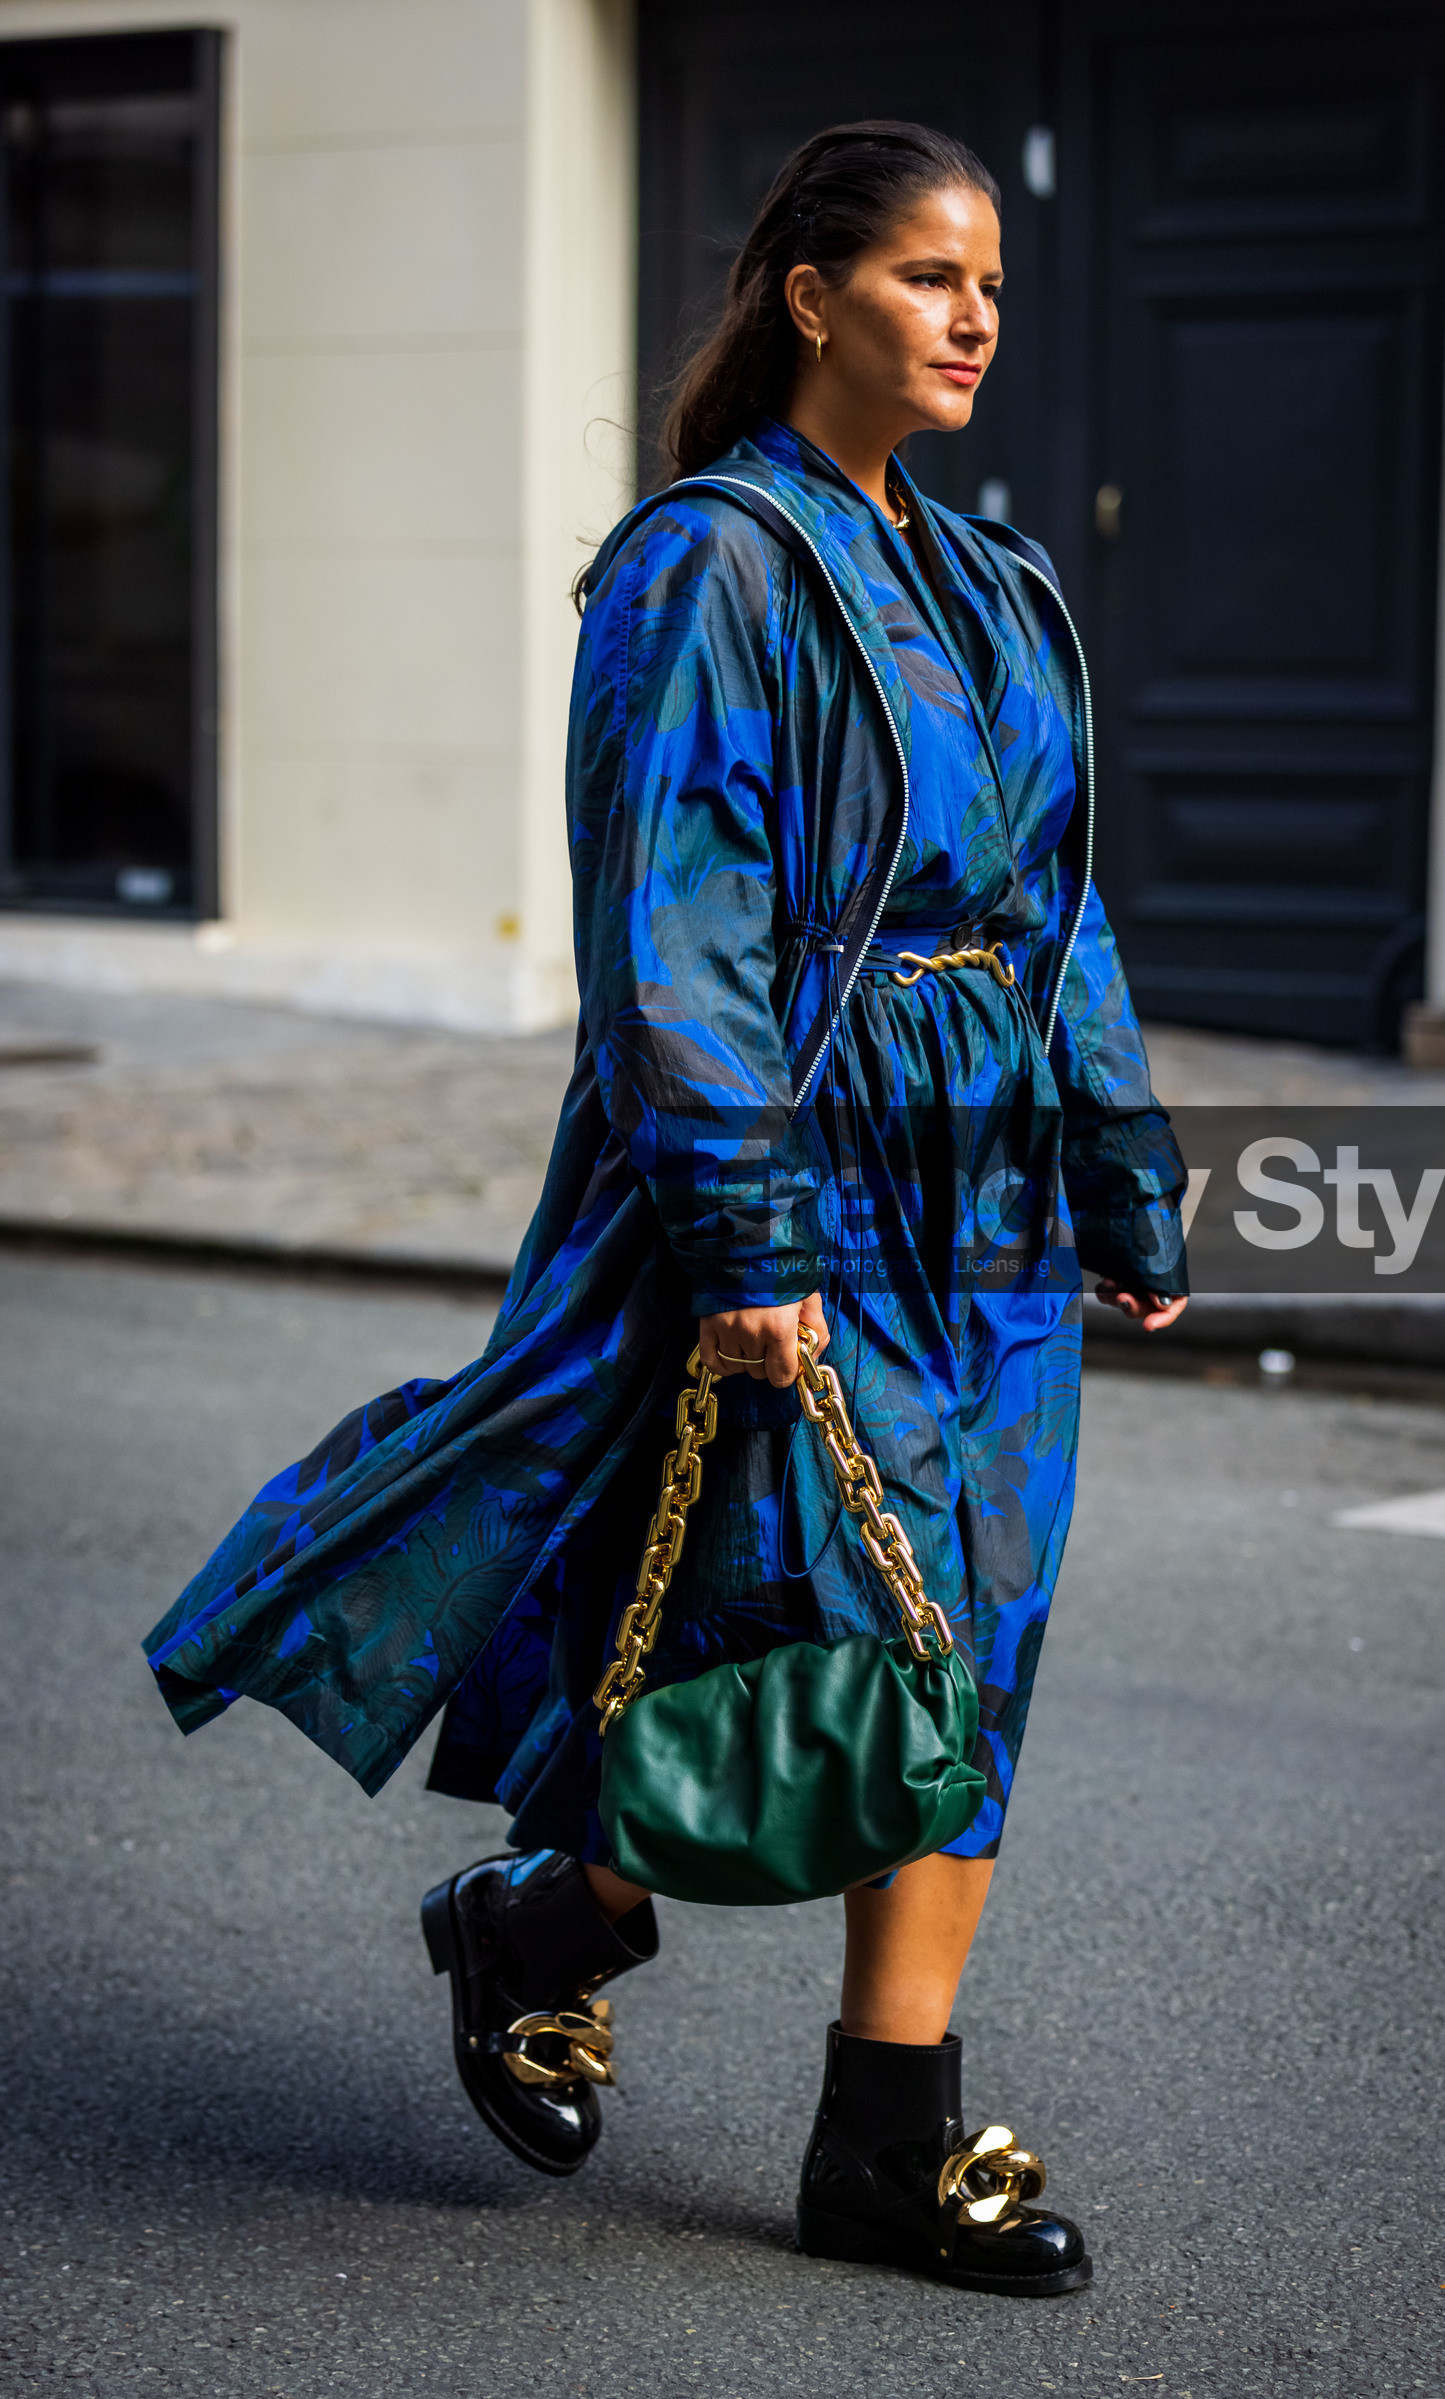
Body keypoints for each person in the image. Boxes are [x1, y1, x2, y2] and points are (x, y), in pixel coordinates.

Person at [143, 120, 1187, 2299]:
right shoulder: (704, 567)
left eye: (989, 277)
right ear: (810, 295)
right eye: (924, 274)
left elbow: (1051, 912)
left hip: (980, 1182)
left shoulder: (999, 587)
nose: (975, 313)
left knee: (966, 1633)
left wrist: (1116, 1171)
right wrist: (748, 1242)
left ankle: (881, 2146)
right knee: (767, 1616)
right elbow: (672, 939)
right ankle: (549, 1915)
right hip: (802, 1163)